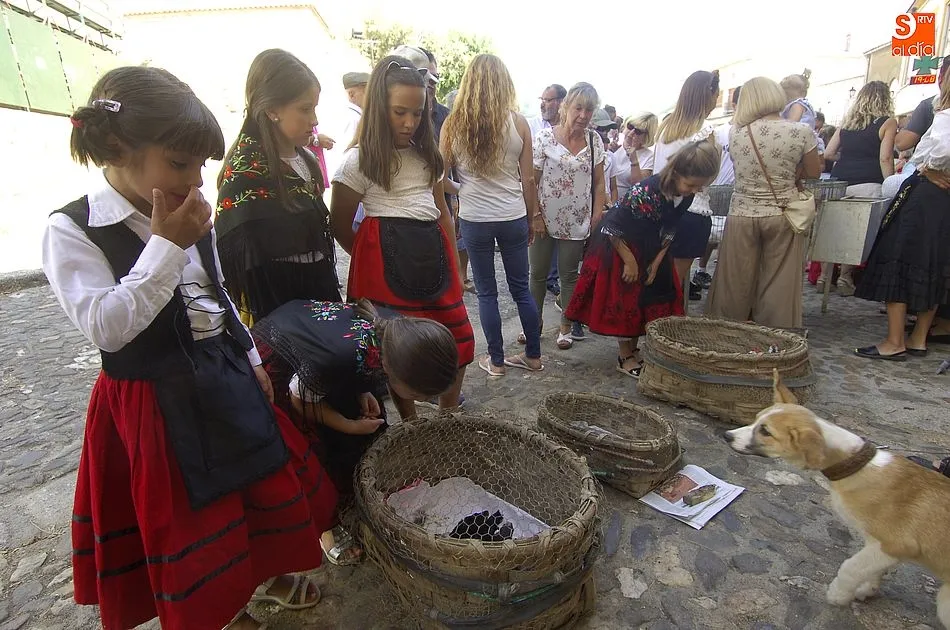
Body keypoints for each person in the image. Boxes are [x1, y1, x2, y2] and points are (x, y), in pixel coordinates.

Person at [42, 66, 336, 630]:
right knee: (190, 518)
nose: (196, 179)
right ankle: (216, 609)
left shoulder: (192, 210)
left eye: (201, 164)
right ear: (116, 149)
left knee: (250, 488)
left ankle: (262, 577)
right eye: (180, 163)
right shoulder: (73, 230)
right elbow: (106, 326)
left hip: (221, 375)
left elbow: (216, 292)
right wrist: (165, 245)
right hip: (153, 402)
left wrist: (251, 358)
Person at [251, 298, 458, 564]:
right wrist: (349, 425)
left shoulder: (398, 336)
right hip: (283, 357)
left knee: (359, 430)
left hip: (322, 353)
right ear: (392, 372)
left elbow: (360, 369)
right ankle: (327, 528)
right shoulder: (337, 359)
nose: (421, 400)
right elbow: (299, 400)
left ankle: (350, 491)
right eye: (419, 395)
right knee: (313, 453)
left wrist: (363, 392)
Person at [330, 55, 474, 412]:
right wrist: (369, 257)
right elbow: (340, 223)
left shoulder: (429, 157)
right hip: (382, 265)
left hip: (433, 257)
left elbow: (443, 212)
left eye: (417, 113)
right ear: (379, 108)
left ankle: (448, 413)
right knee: (393, 348)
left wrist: (455, 269)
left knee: (460, 337)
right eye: (399, 112)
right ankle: (409, 423)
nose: (410, 122)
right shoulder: (358, 161)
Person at [566, 140, 720, 378]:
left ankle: (634, 348)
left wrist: (657, 263)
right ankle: (624, 355)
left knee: (646, 299)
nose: (694, 191)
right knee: (626, 300)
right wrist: (630, 261)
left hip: (652, 247)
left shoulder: (686, 196)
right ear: (676, 172)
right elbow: (612, 227)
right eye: (691, 185)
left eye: (699, 187)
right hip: (621, 246)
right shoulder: (646, 190)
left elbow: (670, 229)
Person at [215, 49, 340, 326]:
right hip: (275, 305)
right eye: (305, 109)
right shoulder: (245, 173)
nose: (315, 120)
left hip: (319, 294)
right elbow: (243, 262)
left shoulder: (306, 161)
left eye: (315, 108)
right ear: (272, 110)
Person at [441, 54, 544, 376]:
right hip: (512, 214)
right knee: (521, 289)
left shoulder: (453, 124)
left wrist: (462, 189)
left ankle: (496, 361)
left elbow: (439, 177)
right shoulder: (519, 123)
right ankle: (533, 356)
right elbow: (529, 179)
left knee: (487, 292)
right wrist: (531, 217)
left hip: (475, 218)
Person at [706, 76, 822, 329]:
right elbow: (815, 172)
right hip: (783, 212)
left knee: (735, 280)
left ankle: (728, 330)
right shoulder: (801, 131)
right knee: (778, 281)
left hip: (742, 211)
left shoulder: (736, 133)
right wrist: (795, 173)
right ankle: (773, 334)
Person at [853, 82, 950, 360]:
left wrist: (928, 167)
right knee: (933, 264)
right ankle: (918, 338)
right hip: (944, 199)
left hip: (927, 193)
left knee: (899, 259)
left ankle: (895, 341)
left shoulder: (945, 116)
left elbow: (942, 151)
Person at [530, 82, 606, 350]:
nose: (583, 115)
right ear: (566, 106)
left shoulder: (594, 141)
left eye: (589, 110)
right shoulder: (544, 138)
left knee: (569, 275)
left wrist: (597, 213)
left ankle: (566, 326)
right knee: (538, 274)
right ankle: (533, 324)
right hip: (544, 219)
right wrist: (535, 215)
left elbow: (599, 182)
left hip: (577, 220)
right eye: (578, 108)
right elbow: (532, 180)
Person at [820, 81, 898, 296]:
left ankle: (824, 276)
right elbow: (885, 157)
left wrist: (847, 159)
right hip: (869, 182)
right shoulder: (887, 122)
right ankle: (845, 277)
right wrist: (890, 183)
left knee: (833, 229)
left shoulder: (847, 123)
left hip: (840, 181)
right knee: (857, 232)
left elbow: (828, 153)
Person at [653, 70, 722, 302]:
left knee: (659, 279)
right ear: (708, 95)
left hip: (662, 209)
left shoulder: (666, 128)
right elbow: (708, 176)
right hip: (692, 211)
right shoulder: (705, 130)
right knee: (674, 285)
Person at [694, 85, 741, 289]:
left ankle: (724, 276)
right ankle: (701, 270)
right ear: (735, 104)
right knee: (711, 236)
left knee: (731, 236)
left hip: (738, 191)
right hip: (716, 188)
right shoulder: (719, 132)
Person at [528, 83, 568, 298]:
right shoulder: (533, 126)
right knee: (537, 265)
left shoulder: (570, 129)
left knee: (566, 263)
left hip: (564, 203)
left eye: (548, 100)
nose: (543, 104)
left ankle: (554, 279)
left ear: (561, 102)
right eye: (542, 99)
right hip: (537, 197)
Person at [341, 71, 371, 233]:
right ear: (352, 94)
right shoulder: (354, 118)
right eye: (367, 91)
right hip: (358, 187)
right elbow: (351, 156)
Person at [612, 112, 658, 200]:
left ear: (647, 136)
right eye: (630, 126)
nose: (631, 133)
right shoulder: (616, 144)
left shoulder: (649, 157)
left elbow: (638, 186)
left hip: (625, 202)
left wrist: (634, 160)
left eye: (638, 131)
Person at [591, 108, 621, 204]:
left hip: (606, 207)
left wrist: (612, 208)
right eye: (601, 129)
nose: (604, 133)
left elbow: (613, 187)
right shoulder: (582, 155)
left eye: (607, 129)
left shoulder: (610, 156)